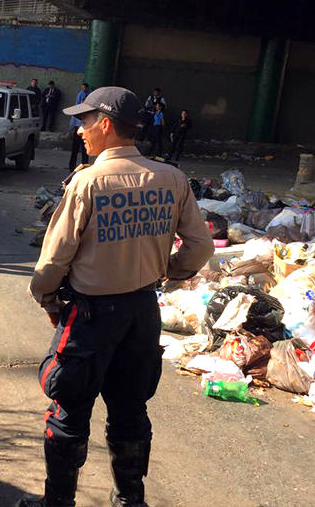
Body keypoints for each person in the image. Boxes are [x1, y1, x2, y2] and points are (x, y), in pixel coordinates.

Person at [19, 87, 214, 507]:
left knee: (69, 409)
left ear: (105, 124)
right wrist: (169, 272)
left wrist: (49, 300)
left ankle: (57, 503)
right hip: (143, 313)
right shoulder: (173, 178)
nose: (80, 131)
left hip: (90, 318)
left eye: (85, 122)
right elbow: (199, 248)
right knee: (130, 410)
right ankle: (130, 500)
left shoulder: (88, 182)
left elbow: (53, 262)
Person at [67, 83, 90, 171]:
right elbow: (73, 120)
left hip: (86, 130)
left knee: (85, 150)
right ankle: (72, 167)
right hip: (77, 129)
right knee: (75, 150)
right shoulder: (77, 108)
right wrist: (70, 131)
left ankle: (84, 166)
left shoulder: (89, 112)